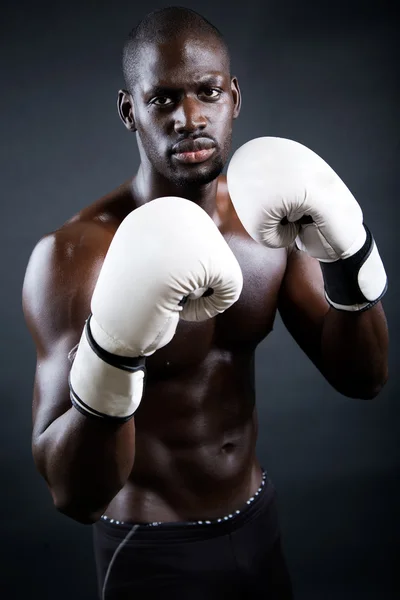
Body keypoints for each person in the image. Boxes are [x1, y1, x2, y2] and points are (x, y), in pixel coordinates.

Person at [22, 7, 389, 600]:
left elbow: (365, 378)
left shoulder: (270, 222)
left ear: (234, 98)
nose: (189, 117)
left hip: (257, 524)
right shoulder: (77, 256)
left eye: (207, 92)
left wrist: (350, 258)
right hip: (150, 550)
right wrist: (114, 355)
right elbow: (71, 494)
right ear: (129, 112)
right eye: (162, 100)